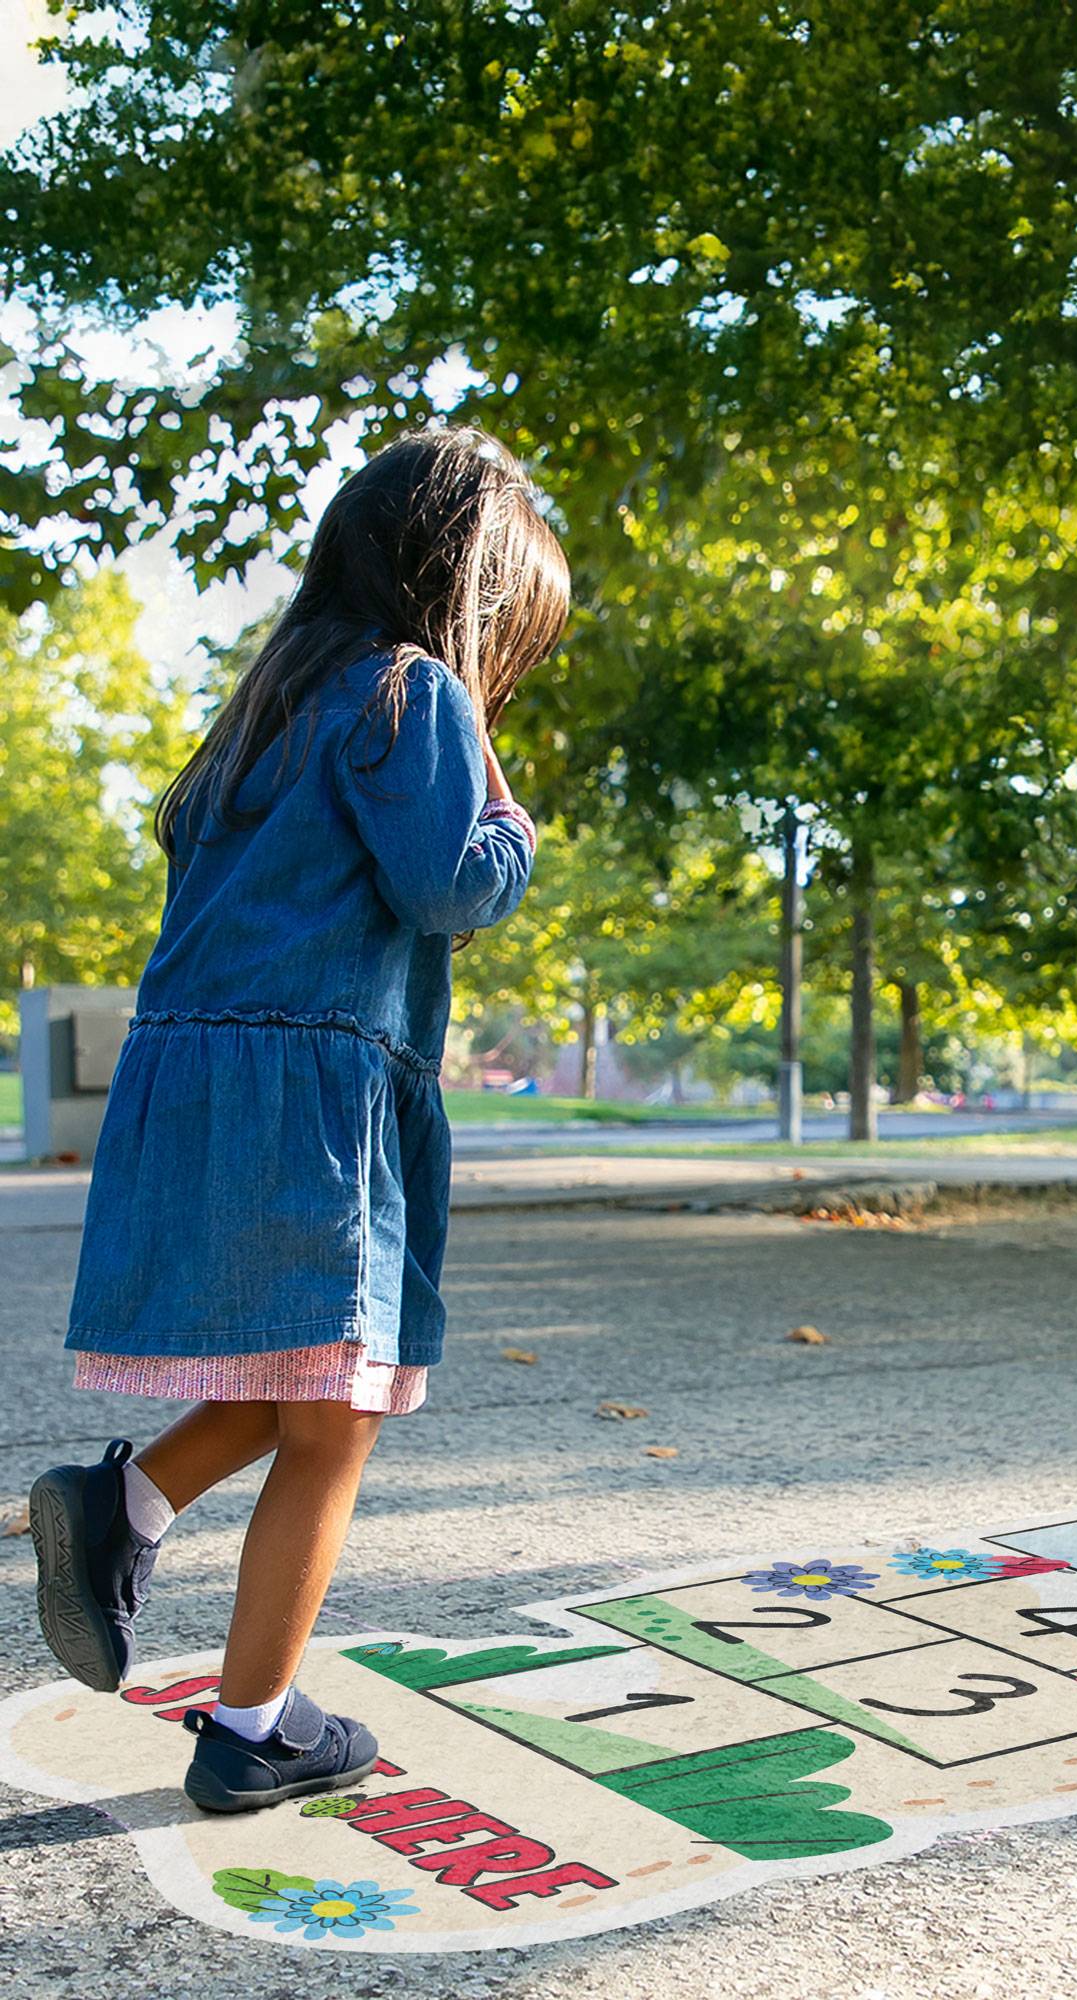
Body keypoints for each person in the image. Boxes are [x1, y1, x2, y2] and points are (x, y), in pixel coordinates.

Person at [27, 428, 568, 1813]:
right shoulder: (414, 693)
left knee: (290, 1378)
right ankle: (253, 1727)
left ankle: (124, 1508)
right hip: (317, 1096)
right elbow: (448, 887)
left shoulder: (267, 706)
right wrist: (510, 823)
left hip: (198, 1081)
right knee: (336, 1419)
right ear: (468, 591)